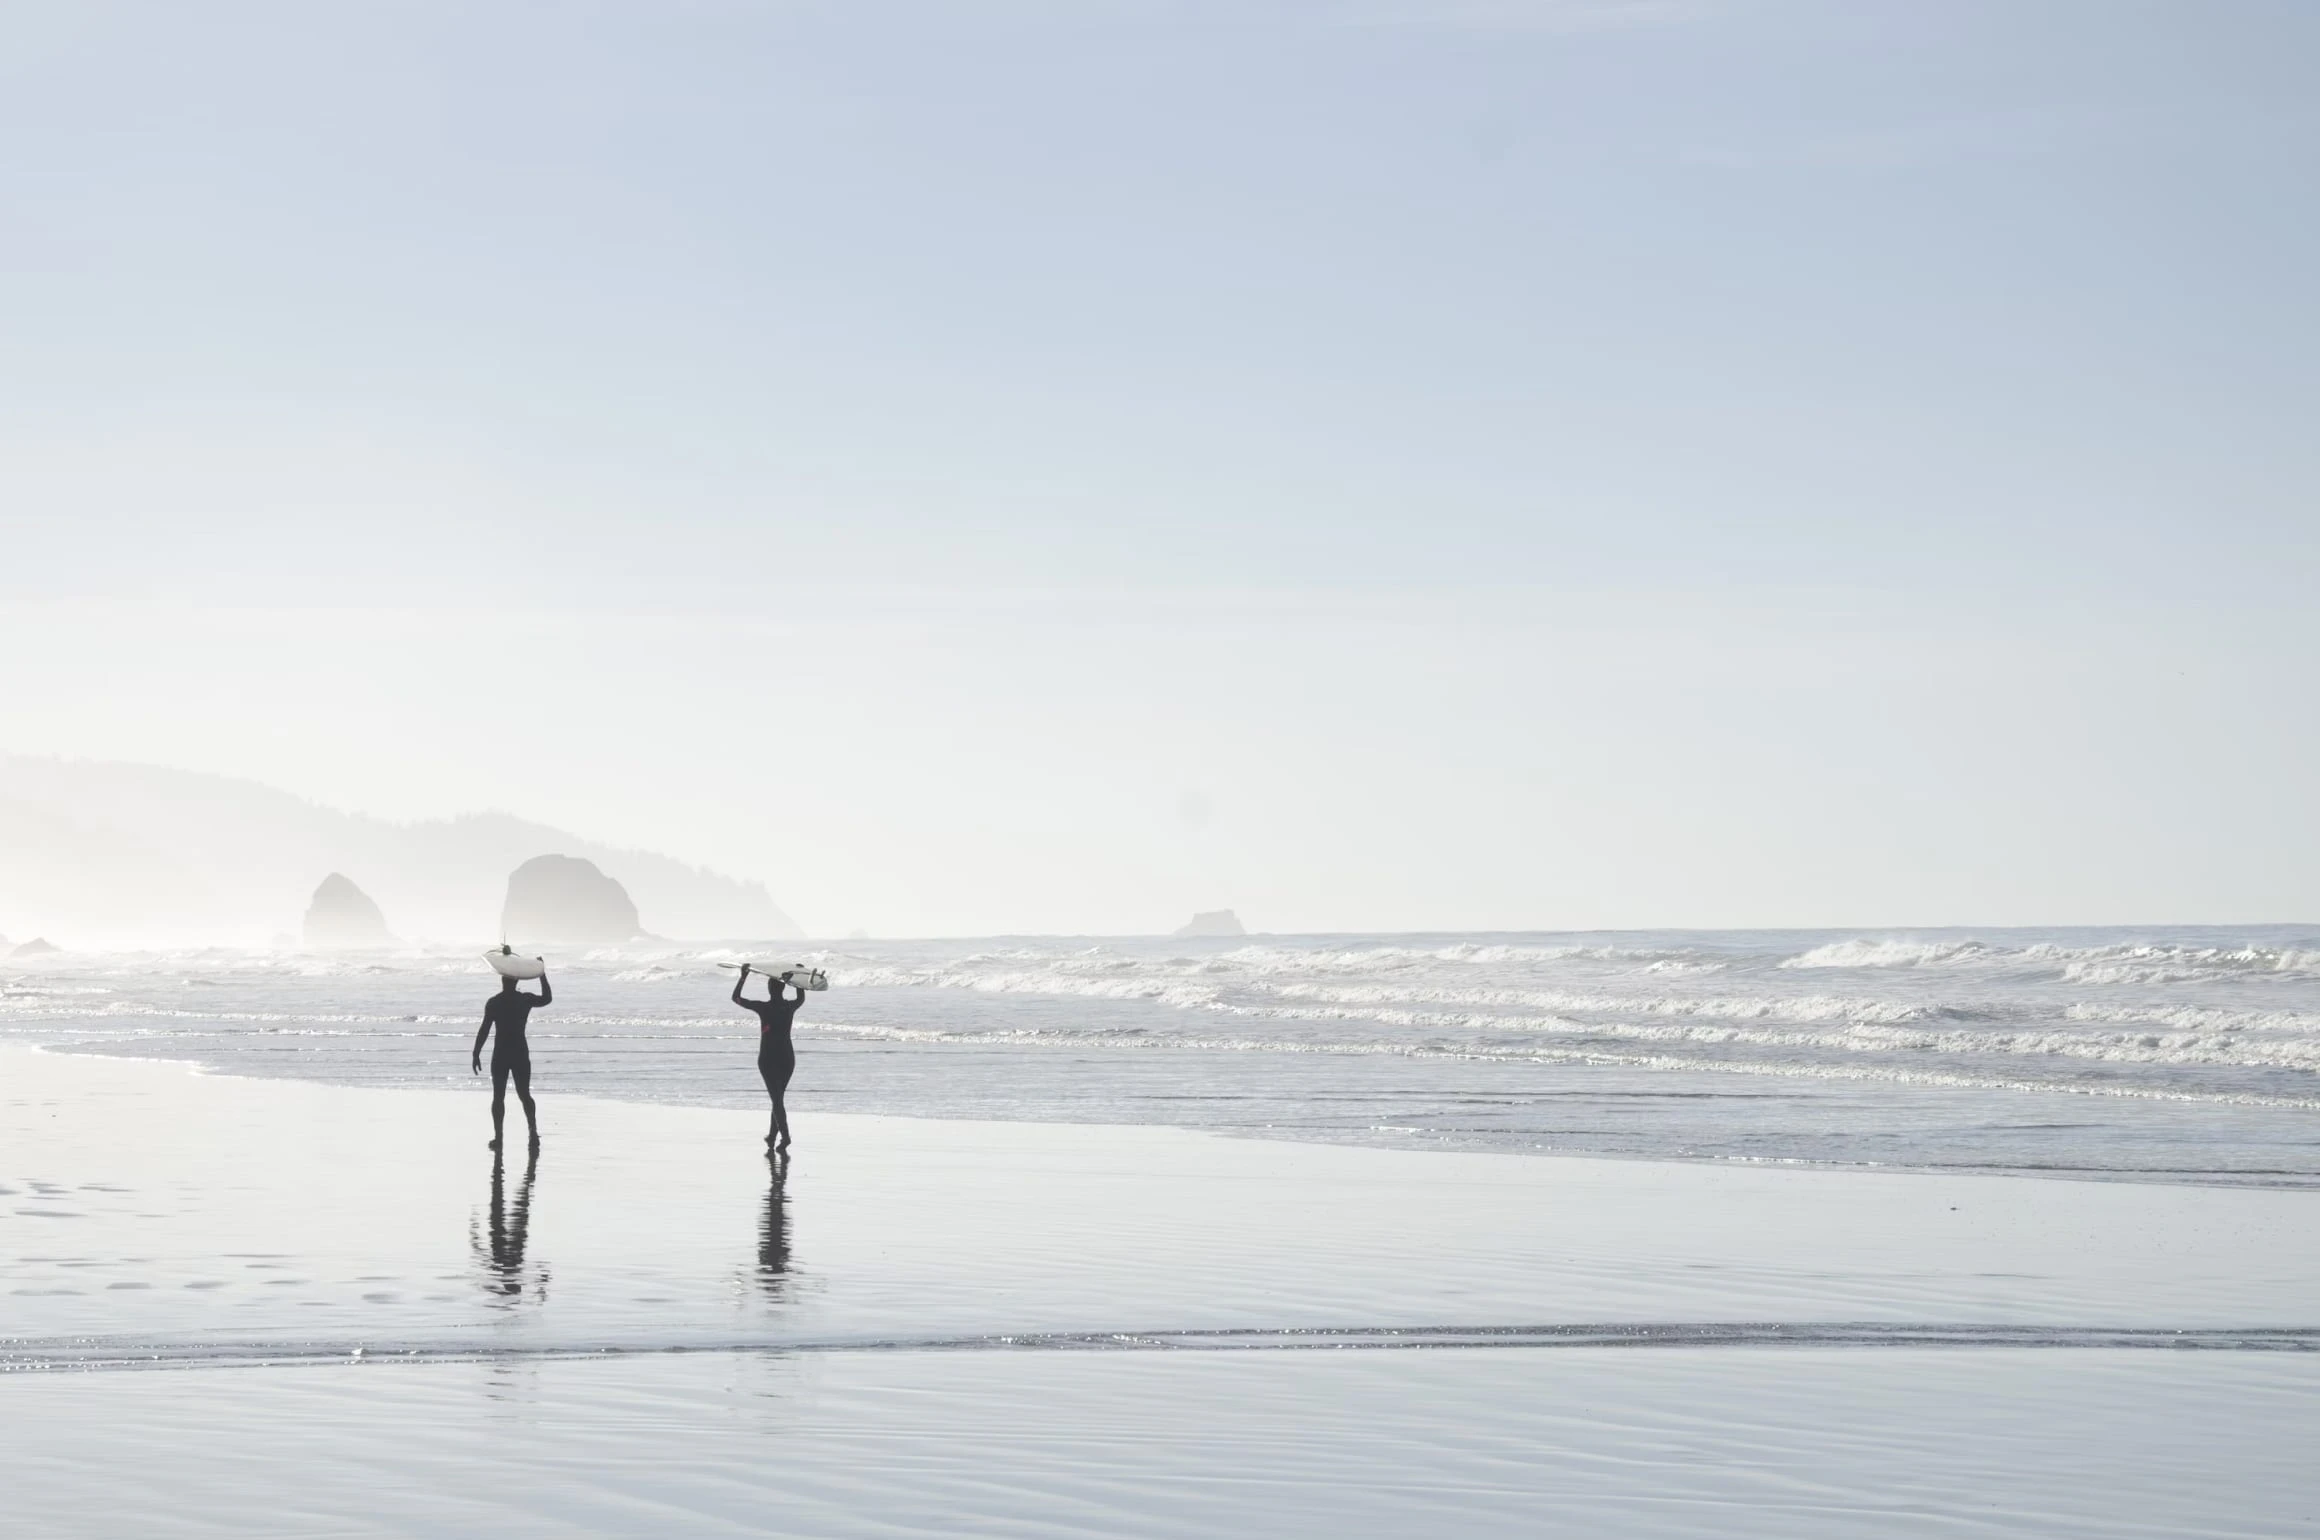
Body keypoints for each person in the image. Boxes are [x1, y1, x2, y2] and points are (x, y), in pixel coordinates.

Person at [472, 963, 552, 1151]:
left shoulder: (494, 1002)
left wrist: (476, 1053)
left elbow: (484, 1030)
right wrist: (541, 973)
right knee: (524, 1094)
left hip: (501, 1052)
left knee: (498, 1096)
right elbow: (547, 998)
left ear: (502, 980)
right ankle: (532, 1134)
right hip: (519, 1051)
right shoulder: (524, 1000)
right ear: (517, 980)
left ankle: (499, 1139)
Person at [732, 963, 804, 1151]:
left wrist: (743, 976)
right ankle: (772, 1136)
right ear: (783, 988)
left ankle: (786, 1137)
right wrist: (798, 977)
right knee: (777, 1098)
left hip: (768, 1058)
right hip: (788, 1057)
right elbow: (801, 997)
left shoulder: (763, 1008)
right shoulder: (790, 1007)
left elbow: (736, 998)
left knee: (777, 1099)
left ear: (769, 989)